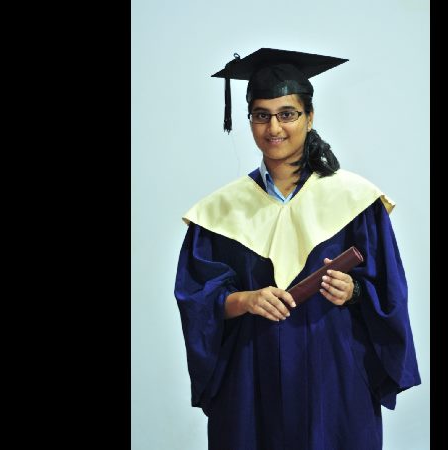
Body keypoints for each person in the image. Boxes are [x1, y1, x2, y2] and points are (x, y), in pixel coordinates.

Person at [174, 48, 420, 450]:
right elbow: (197, 298)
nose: (274, 127)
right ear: (250, 121)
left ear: (309, 117)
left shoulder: (354, 200)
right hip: (250, 382)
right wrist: (245, 299)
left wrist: (354, 290)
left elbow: (389, 291)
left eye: (287, 114)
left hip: (335, 379)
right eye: (261, 115)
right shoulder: (220, 211)